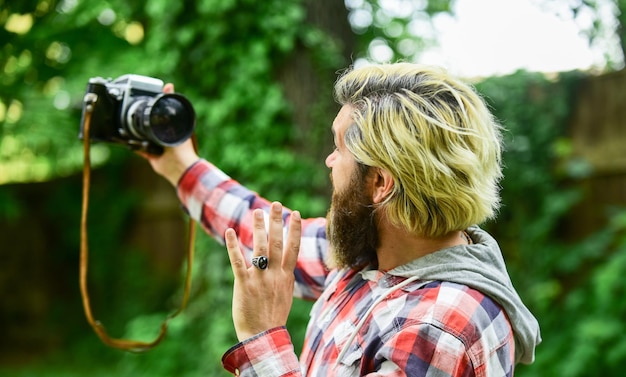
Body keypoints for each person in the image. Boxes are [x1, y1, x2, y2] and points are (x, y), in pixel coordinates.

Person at [144, 63, 541, 376]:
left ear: (380, 183)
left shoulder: (439, 328)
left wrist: (262, 336)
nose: (329, 161)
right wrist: (181, 166)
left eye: (337, 148)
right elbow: (258, 228)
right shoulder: (375, 255)